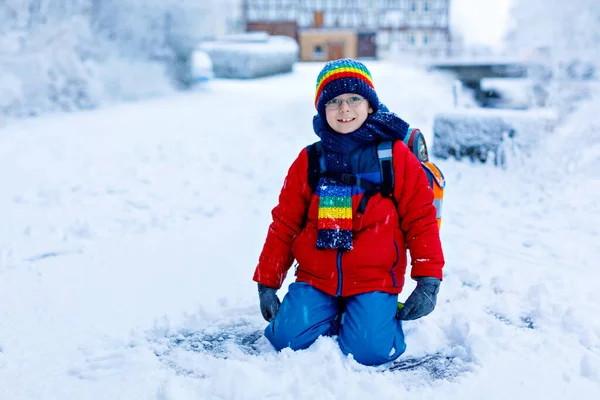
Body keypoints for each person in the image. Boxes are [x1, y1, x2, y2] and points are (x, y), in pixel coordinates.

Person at [252, 58, 444, 367]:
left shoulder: (393, 156)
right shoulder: (311, 159)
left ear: (370, 105)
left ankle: (368, 316)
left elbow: (420, 221)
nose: (344, 109)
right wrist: (267, 283)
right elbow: (284, 223)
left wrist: (428, 282)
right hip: (317, 277)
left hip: (375, 278)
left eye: (354, 99)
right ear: (322, 110)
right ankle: (336, 311)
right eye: (334, 101)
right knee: (284, 338)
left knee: (369, 352)